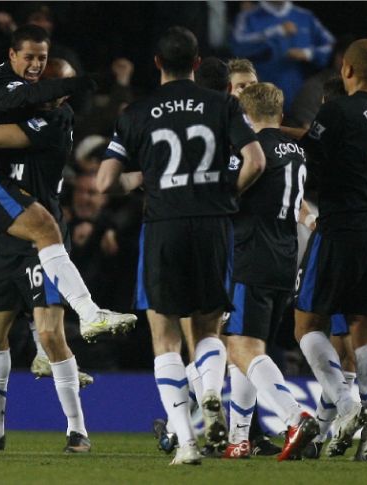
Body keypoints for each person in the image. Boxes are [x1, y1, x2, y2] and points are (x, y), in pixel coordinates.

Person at [97, 26, 266, 466]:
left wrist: (144, 178)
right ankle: (210, 392)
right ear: (196, 63)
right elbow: (256, 160)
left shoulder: (136, 111)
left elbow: (105, 181)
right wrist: (227, 194)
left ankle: (187, 444)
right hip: (213, 226)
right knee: (208, 330)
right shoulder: (223, 104)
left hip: (164, 226)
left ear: (157, 63)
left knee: (166, 337)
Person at [0, 24, 136, 342]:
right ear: (12, 55)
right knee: (45, 234)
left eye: (42, 59)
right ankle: (89, 314)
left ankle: (55, 341)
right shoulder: (9, 91)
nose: (35, 66)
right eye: (30, 59)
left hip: (29, 202)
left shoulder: (53, 119)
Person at [0, 59, 93, 453]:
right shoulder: (23, 108)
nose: (51, 94)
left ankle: (77, 430)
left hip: (43, 236)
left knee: (50, 334)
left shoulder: (55, 121)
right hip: (12, 237)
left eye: (60, 88)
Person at [294, 38, 367, 462]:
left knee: (306, 326)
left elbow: (309, 159)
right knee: (365, 336)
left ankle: (345, 402)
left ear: (347, 70)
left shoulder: (336, 110)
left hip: (341, 231)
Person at [221, 82, 319, 461]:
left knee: (239, 346)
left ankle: (295, 417)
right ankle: (239, 438)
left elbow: (229, 194)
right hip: (285, 259)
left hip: (252, 255)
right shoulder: (297, 151)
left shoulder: (251, 149)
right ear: (280, 114)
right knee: (249, 349)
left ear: (246, 116)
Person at [231, 1, 335, 108]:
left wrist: (309, 53)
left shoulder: (305, 17)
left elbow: (333, 46)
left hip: (300, 101)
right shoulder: (247, 17)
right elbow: (237, 47)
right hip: (259, 102)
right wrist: (275, 32)